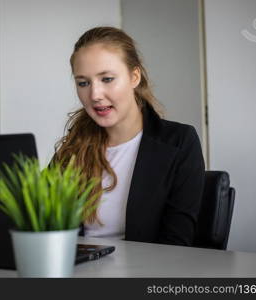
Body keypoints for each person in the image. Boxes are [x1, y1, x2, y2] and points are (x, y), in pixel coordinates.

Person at [53, 27, 205, 246]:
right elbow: (42, 223)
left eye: (106, 79)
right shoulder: (75, 145)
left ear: (134, 77)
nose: (95, 95)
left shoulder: (179, 142)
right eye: (83, 83)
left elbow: (176, 245)